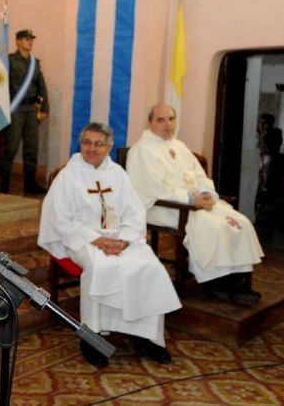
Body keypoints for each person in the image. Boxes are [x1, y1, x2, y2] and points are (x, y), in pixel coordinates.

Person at [39, 122, 181, 368]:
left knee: (150, 266)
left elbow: (135, 212)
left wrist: (124, 239)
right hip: (81, 238)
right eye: (86, 143)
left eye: (98, 144)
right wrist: (97, 240)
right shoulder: (68, 175)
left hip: (120, 238)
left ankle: (148, 336)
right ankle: (92, 338)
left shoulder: (118, 174)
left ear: (109, 147)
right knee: (100, 268)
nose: (91, 149)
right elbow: (60, 218)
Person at [126, 104, 263, 306]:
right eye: (161, 120)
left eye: (171, 119)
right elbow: (153, 188)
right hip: (163, 207)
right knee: (211, 226)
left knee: (238, 221)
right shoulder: (141, 150)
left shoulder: (179, 146)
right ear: (150, 123)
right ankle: (218, 282)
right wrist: (191, 200)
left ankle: (236, 279)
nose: (168, 125)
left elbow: (200, 176)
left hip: (193, 203)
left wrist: (206, 194)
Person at [0, 29, 49, 194]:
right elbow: (1, 86)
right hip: (15, 109)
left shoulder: (35, 63)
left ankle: (30, 184)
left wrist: (45, 109)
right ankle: (4, 185)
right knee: (10, 148)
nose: (30, 42)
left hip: (31, 111)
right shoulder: (10, 61)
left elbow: (41, 86)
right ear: (18, 42)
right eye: (26, 39)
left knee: (31, 148)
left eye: (31, 39)